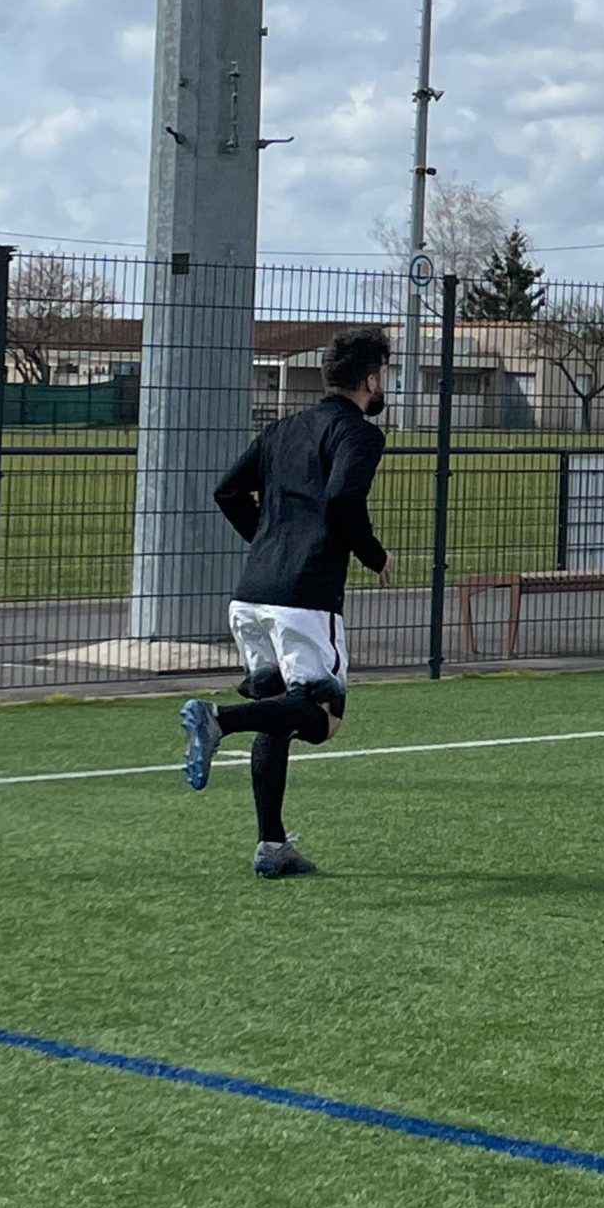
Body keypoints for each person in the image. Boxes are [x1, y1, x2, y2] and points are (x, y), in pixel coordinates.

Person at [179, 326, 393, 877]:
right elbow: (343, 498)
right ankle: (217, 720)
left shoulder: (282, 429)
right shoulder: (359, 434)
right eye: (384, 375)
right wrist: (374, 555)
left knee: (276, 716)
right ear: (371, 380)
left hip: (251, 595)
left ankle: (271, 846)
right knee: (323, 719)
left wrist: (268, 541)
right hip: (304, 596)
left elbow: (227, 490)